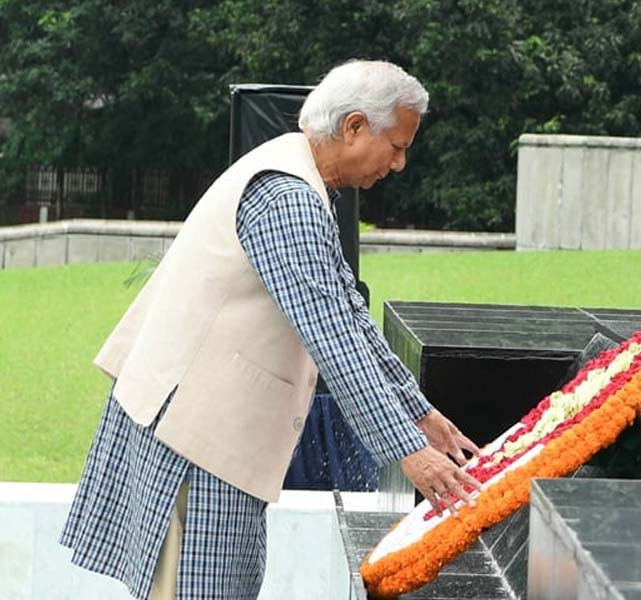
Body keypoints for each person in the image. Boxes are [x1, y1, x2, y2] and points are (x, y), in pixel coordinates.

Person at [60, 59, 481, 600]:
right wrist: (407, 451)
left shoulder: (297, 172)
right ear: (354, 127)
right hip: (194, 438)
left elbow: (348, 313)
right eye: (396, 146)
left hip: (201, 430)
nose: (399, 164)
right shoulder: (289, 198)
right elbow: (331, 336)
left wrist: (421, 416)